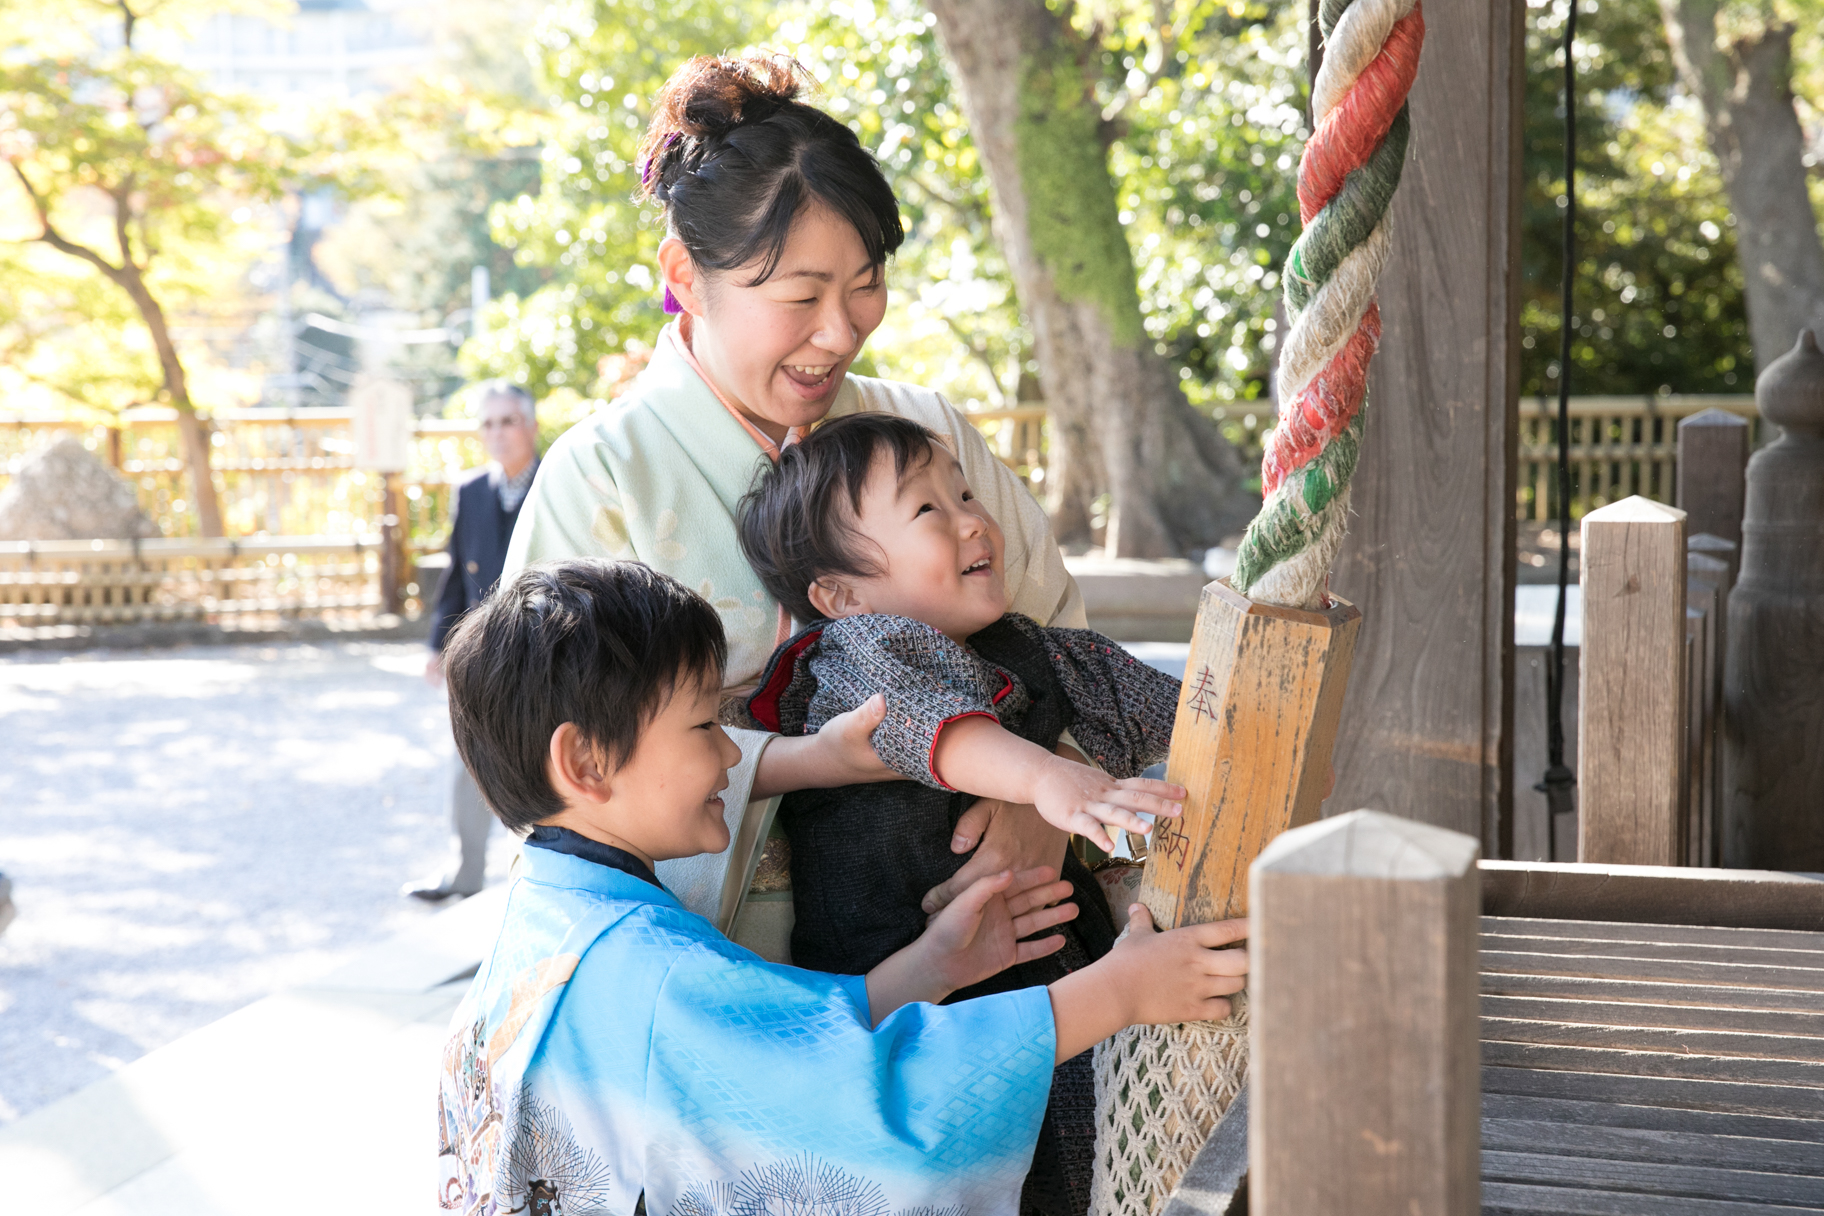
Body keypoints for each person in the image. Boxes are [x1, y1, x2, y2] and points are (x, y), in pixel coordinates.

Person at [500, 54, 1104, 1209]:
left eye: (866, 284)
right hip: (729, 991)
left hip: (987, 953)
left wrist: (1040, 797)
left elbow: (1058, 640)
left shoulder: (924, 432)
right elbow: (551, 778)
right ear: (687, 274)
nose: (841, 332)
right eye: (799, 293)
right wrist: (797, 761)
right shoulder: (602, 480)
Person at [434, 559, 1249, 1216]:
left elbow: (777, 1045)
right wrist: (1123, 991)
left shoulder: (552, 922)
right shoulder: (657, 975)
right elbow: (882, 1105)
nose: (731, 755)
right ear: (584, 762)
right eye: (701, 725)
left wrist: (931, 970)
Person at [404, 380, 541, 901]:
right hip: (482, 654)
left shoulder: (556, 480)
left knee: (539, 766)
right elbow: (457, 576)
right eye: (488, 423)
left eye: (508, 421)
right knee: (468, 762)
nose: (498, 433)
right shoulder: (471, 492)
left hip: (541, 648)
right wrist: (438, 645)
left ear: (529, 426)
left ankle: (534, 881)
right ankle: (464, 874)